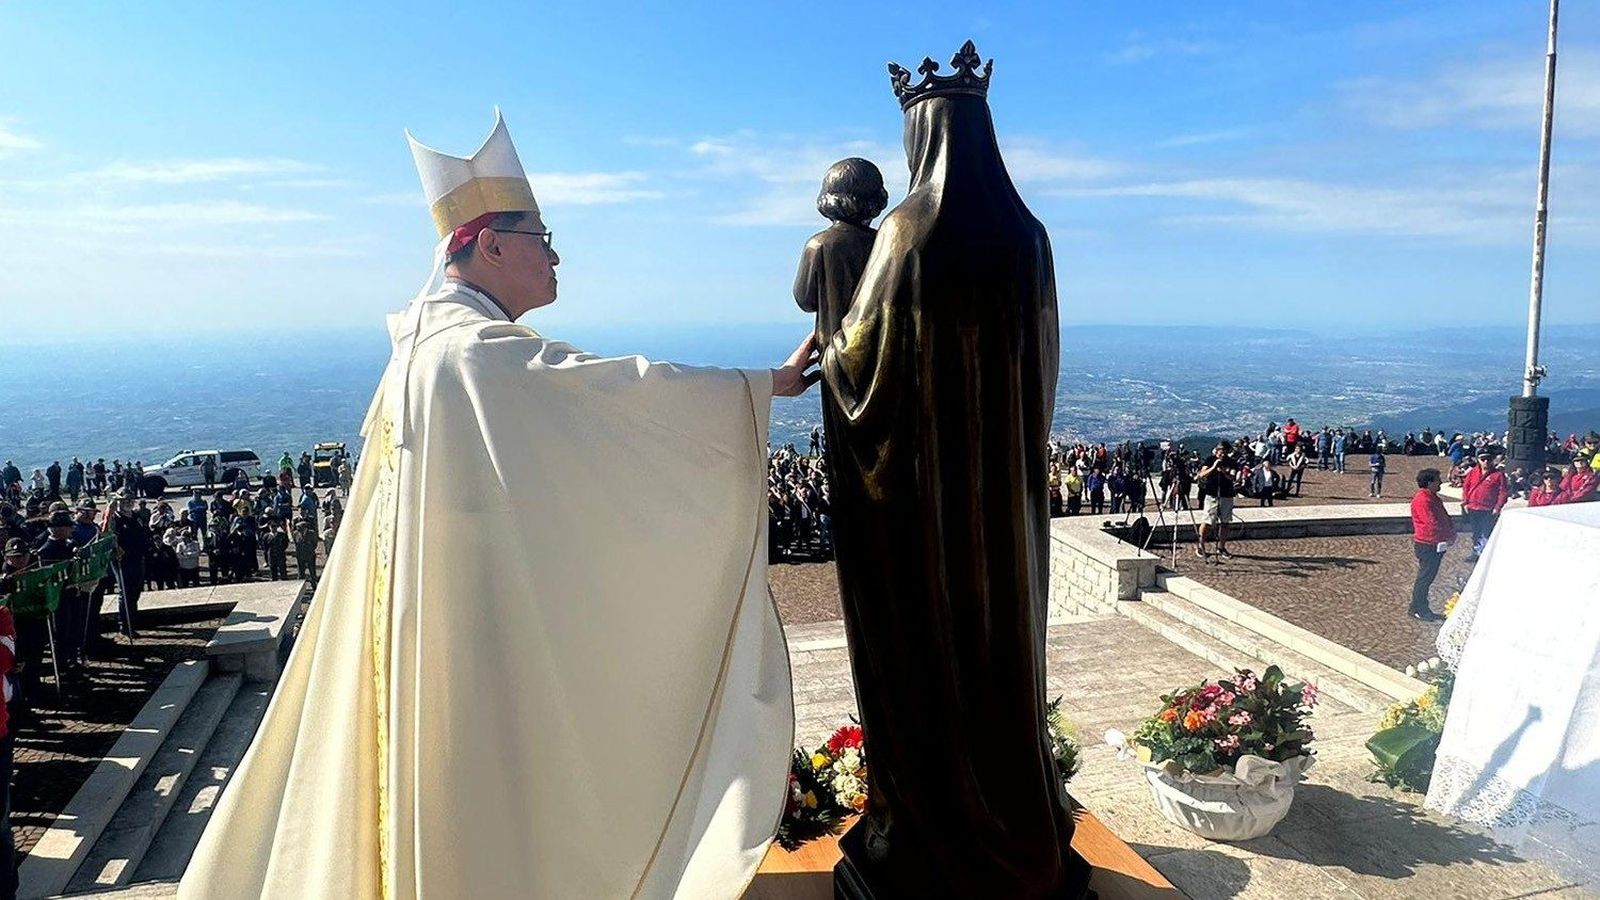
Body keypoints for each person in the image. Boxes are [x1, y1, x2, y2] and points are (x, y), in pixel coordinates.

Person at [181, 112, 813, 900]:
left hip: (439, 618)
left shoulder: (423, 347)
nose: (555, 255)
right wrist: (765, 388)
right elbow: (621, 396)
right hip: (474, 636)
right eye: (542, 235)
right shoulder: (476, 353)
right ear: (490, 243)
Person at [1409, 468, 1453, 622]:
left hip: (1435, 542)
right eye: (1437, 480)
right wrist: (1447, 535)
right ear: (1429, 483)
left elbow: (1444, 517)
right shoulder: (1423, 500)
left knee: (1427, 577)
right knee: (1424, 578)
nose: (1440, 482)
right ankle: (1420, 609)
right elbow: (1431, 523)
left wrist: (1451, 531)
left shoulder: (1433, 497)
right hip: (1427, 544)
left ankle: (1416, 607)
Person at [1461, 451, 1508, 560]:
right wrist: (1465, 501)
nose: (1486, 461)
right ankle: (1476, 552)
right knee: (1476, 532)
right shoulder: (1473, 472)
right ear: (1478, 460)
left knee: (1487, 532)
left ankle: (1485, 554)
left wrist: (1497, 507)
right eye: (1483, 459)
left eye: (1488, 459)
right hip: (1473, 507)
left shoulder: (1498, 475)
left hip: (1488, 509)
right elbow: (1466, 487)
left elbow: (1503, 492)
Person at [1197, 442, 1237, 558]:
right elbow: (1202, 474)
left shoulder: (1232, 462)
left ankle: (1221, 547)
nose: (1222, 452)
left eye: (1224, 450)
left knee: (1225, 522)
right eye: (1220, 450)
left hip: (1227, 495)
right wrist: (1214, 467)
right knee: (1208, 521)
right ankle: (1201, 546)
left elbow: (1233, 477)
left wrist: (1224, 472)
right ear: (1217, 450)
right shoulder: (1210, 460)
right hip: (1212, 495)